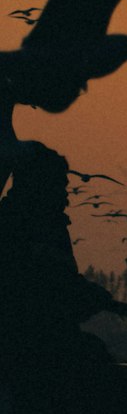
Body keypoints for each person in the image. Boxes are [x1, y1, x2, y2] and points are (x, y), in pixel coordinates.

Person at [0, 141, 113, 366]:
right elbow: (48, 294)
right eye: (60, 188)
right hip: (31, 352)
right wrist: (88, 296)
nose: (65, 198)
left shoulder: (35, 226)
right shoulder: (26, 231)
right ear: (40, 186)